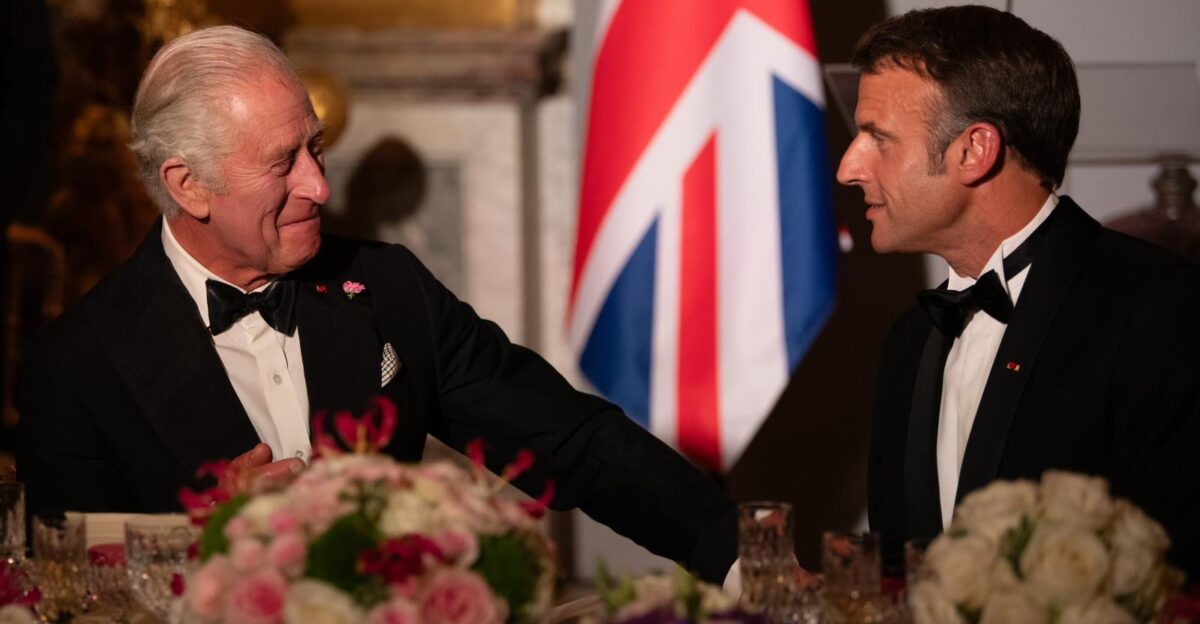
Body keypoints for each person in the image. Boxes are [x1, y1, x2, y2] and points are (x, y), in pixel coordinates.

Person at [16, 25, 737, 583]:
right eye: (282, 163)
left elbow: (572, 443)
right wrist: (194, 539)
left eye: (316, 149)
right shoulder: (76, 364)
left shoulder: (388, 288)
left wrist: (738, 558)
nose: (320, 187)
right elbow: (63, 588)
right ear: (187, 185)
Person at [837, 6, 1200, 576]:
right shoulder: (909, 342)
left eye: (877, 138)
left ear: (975, 150)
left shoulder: (1161, 309)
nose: (848, 167)